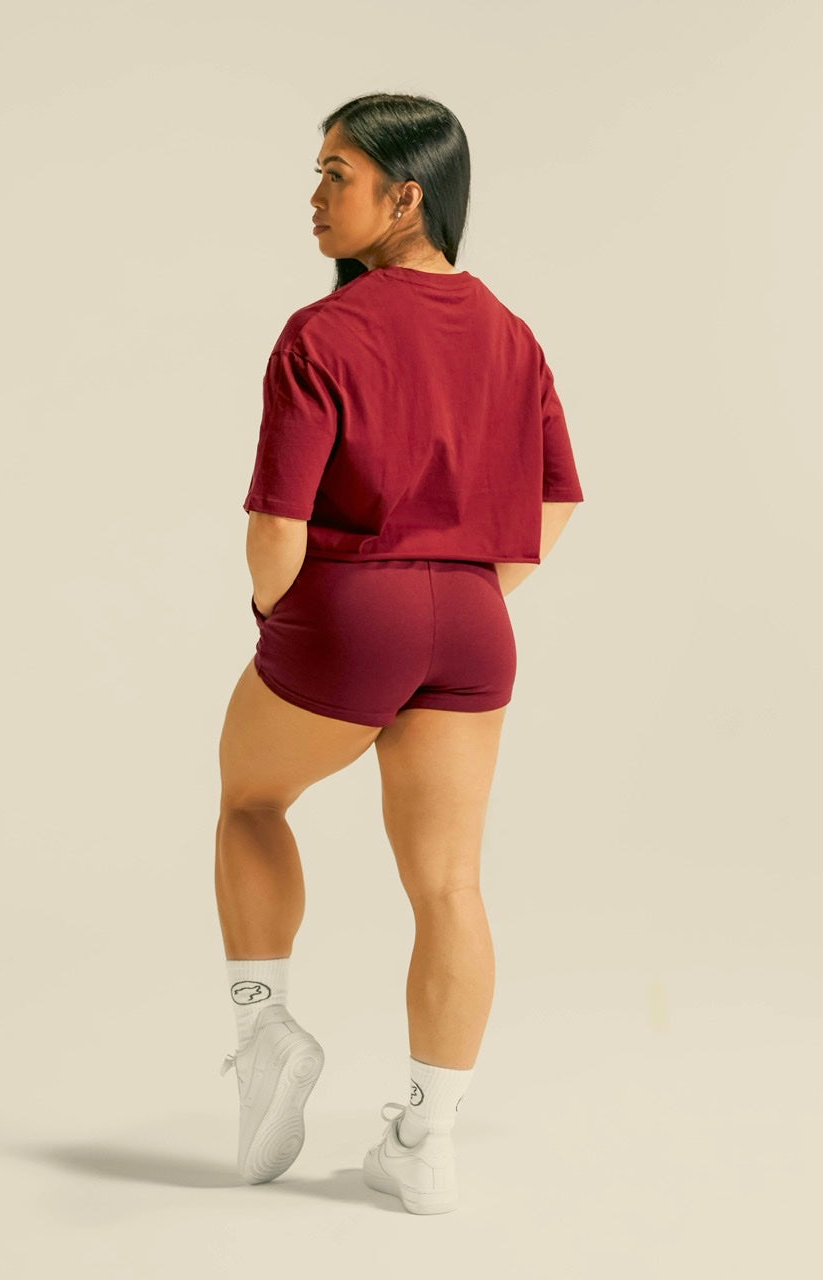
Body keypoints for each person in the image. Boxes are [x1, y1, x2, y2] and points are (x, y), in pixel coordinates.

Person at [215, 92, 584, 1214]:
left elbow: (276, 528)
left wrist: (290, 617)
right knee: (449, 884)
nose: (315, 196)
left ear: (406, 195)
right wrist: (463, 591)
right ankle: (426, 1139)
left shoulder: (324, 332)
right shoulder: (512, 333)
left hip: (349, 610)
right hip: (475, 623)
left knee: (250, 801)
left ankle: (265, 1034)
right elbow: (558, 501)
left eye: (337, 174)